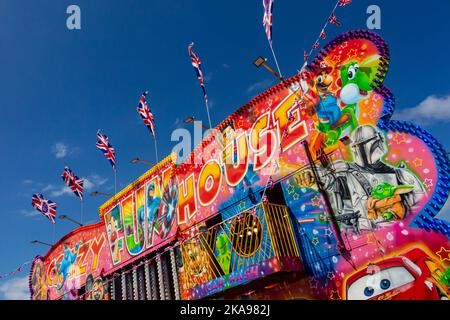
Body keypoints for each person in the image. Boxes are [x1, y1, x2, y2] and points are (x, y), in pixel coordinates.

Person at [318, 125, 425, 233]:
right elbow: (328, 183)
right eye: (356, 147)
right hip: (368, 235)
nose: (358, 150)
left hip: (396, 234)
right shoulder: (347, 173)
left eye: (361, 145)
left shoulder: (401, 175)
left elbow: (420, 207)